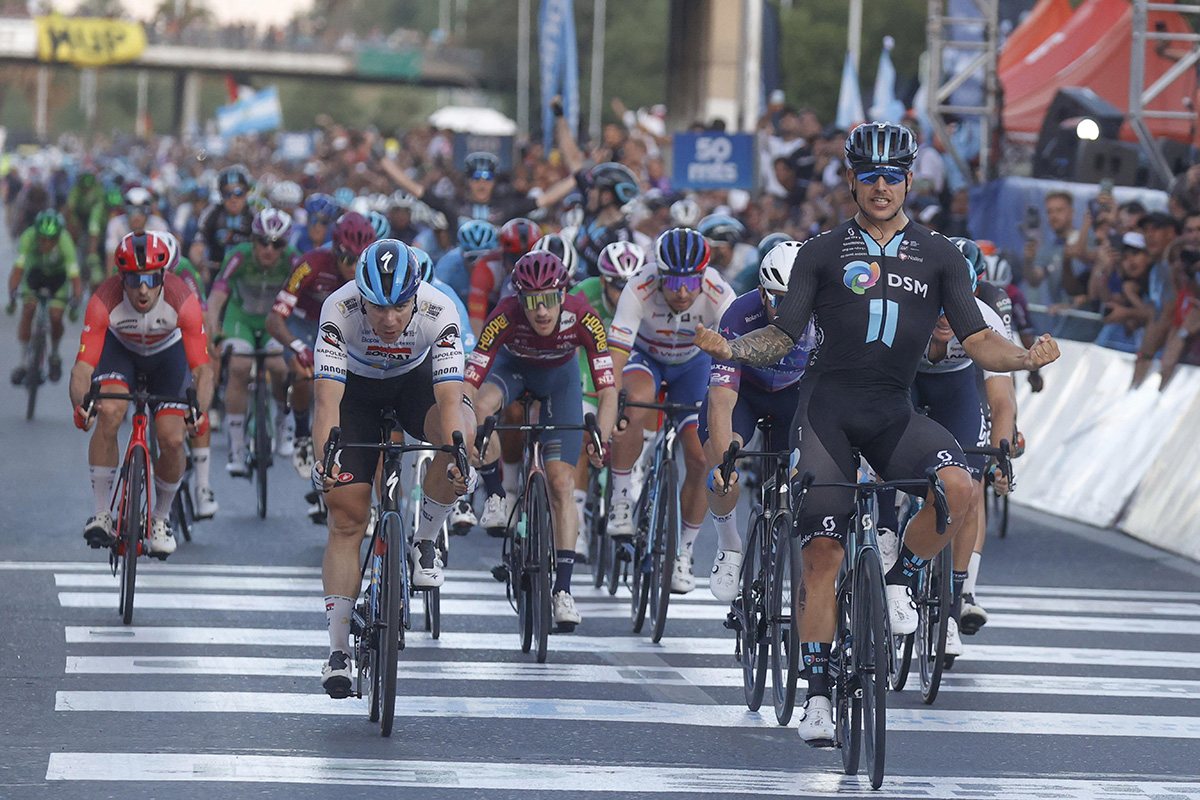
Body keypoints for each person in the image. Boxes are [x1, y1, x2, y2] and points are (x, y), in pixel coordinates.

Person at [692, 122, 1059, 746]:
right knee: (822, 554)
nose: (882, 187)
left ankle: (897, 581)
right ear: (852, 182)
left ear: (911, 181)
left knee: (959, 488)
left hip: (892, 412)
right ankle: (816, 694)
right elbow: (782, 337)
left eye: (893, 176)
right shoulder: (820, 252)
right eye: (870, 177)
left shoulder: (941, 256)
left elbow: (975, 339)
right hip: (827, 413)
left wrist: (1024, 357)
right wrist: (731, 346)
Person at [312, 239, 474, 697]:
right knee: (346, 517)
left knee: (461, 428)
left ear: (416, 296)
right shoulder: (338, 309)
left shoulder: (438, 310)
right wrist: (323, 459)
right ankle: (339, 651)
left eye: (399, 307)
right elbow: (327, 402)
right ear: (359, 295)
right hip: (356, 394)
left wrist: (457, 451)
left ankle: (425, 539)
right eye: (376, 307)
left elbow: (447, 398)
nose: (387, 319)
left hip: (414, 386)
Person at [465, 251, 617, 630]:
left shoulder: (584, 316)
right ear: (520, 299)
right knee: (481, 408)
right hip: (512, 372)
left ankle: (563, 591)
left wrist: (603, 437)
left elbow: (608, 391)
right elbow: (470, 381)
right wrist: (463, 427)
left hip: (559, 383)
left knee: (562, 484)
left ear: (563, 294)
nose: (541, 312)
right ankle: (497, 494)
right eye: (531, 302)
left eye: (549, 299)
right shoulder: (504, 314)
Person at [606, 227, 736, 592]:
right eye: (674, 282)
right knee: (632, 401)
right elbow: (617, 352)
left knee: (699, 458)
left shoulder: (717, 291)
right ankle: (619, 498)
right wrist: (612, 397)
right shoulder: (639, 287)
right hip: (646, 358)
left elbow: (737, 349)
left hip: (692, 367)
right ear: (659, 274)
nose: (682, 292)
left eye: (690, 282)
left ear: (703, 276)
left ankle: (684, 553)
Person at [69, 231, 213, 558]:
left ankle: (161, 518)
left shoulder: (183, 299)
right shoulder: (104, 299)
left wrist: (200, 410)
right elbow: (82, 368)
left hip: (168, 356)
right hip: (120, 353)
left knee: (173, 439)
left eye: (151, 278)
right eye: (134, 280)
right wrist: (82, 405)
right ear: (122, 278)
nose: (143, 289)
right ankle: (102, 512)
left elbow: (204, 370)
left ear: (164, 275)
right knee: (108, 411)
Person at [702, 241, 815, 601]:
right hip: (744, 394)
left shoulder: (825, 316)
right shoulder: (739, 314)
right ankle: (730, 545)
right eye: (779, 300)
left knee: (815, 470)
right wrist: (724, 461)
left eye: (798, 300)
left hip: (792, 395)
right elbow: (721, 401)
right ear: (763, 293)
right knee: (722, 468)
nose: (789, 311)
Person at [266, 211, 377, 482]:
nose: (353, 268)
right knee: (305, 374)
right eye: (347, 260)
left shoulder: (370, 272)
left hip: (342, 327)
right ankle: (303, 435)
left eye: (359, 260)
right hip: (304, 326)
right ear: (335, 251)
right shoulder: (310, 263)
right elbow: (274, 319)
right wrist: (295, 346)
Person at [207, 208, 302, 474]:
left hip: (274, 320)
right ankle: (237, 448)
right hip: (242, 318)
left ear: (286, 244)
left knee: (280, 369)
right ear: (253, 239)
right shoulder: (238, 256)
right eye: (263, 242)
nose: (269, 250)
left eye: (277, 244)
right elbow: (216, 298)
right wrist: (213, 330)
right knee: (238, 367)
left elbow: (305, 303)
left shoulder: (294, 261)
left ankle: (283, 427)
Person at [566, 239, 644, 557]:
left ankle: (634, 483)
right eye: (616, 286)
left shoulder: (646, 299)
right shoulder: (582, 294)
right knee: (586, 437)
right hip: (588, 367)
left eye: (630, 285)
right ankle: (577, 528)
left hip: (630, 366)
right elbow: (566, 346)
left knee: (636, 417)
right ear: (602, 281)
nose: (624, 294)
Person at [8, 210, 82, 386]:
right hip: (35, 275)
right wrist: (12, 295)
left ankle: (54, 354)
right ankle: (23, 362)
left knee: (56, 316)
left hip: (57, 279)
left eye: (51, 239)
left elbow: (75, 277)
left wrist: (75, 303)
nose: (46, 243)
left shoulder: (65, 241)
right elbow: (18, 270)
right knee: (28, 310)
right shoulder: (28, 237)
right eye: (42, 238)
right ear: (36, 234)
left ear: (58, 236)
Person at [468, 217, 542, 338]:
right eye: (514, 261)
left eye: (527, 262)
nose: (519, 269)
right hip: (493, 311)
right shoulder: (486, 268)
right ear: (503, 254)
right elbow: (476, 318)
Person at [192, 166, 256, 279]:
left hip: (246, 275)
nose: (233, 199)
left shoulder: (254, 216)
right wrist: (201, 265)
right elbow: (197, 246)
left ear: (246, 193)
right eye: (228, 193)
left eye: (239, 193)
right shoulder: (211, 213)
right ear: (221, 195)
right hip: (216, 273)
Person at [104, 186, 170, 276]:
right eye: (132, 210)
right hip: (125, 271)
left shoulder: (159, 225)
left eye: (143, 210)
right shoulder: (115, 224)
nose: (137, 216)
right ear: (125, 211)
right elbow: (111, 257)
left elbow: (167, 262)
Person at [435, 219, 499, 307]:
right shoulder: (446, 267)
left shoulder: (502, 266)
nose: (478, 265)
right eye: (472, 258)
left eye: (484, 259)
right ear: (461, 254)